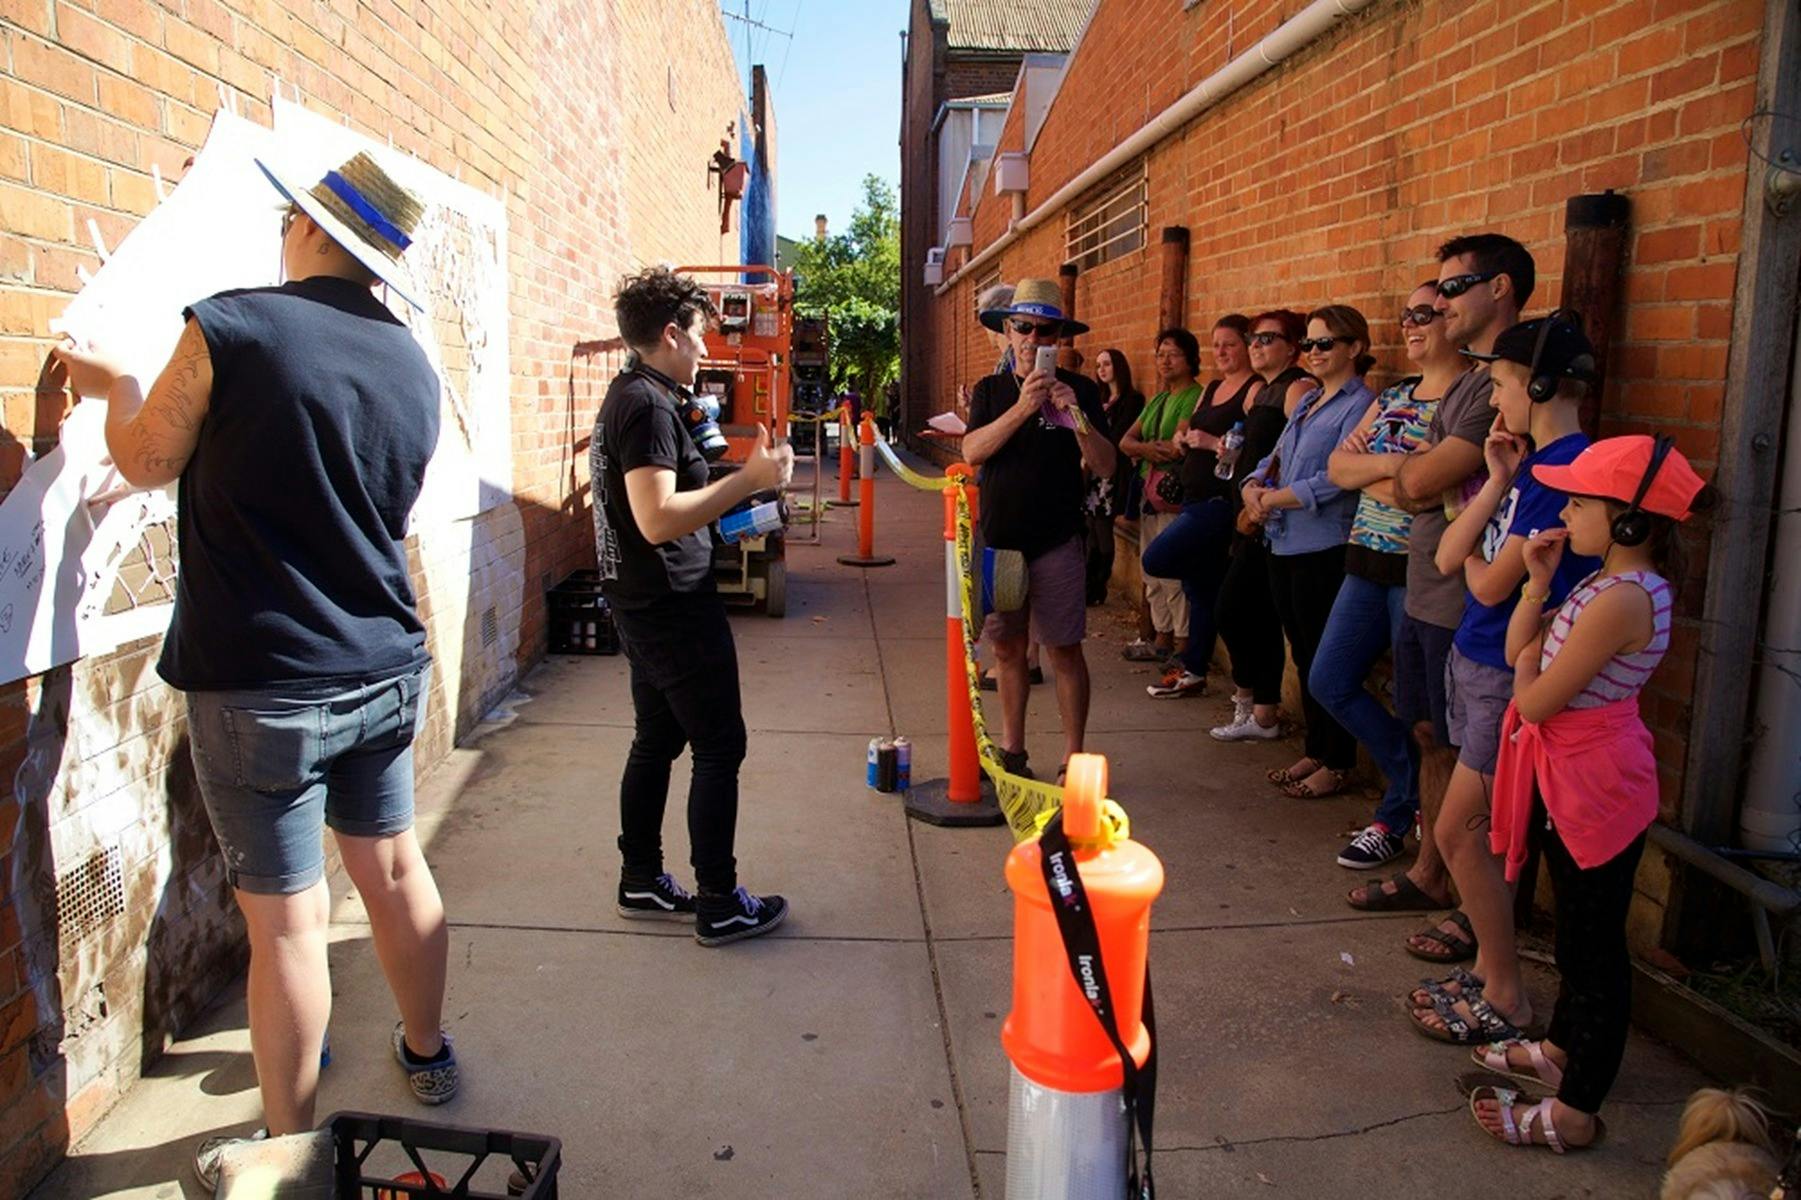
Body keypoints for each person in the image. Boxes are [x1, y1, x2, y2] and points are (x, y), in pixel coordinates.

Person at [56, 153, 456, 1186]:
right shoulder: (412, 364)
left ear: (311, 231)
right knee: (397, 868)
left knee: (289, 921)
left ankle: (287, 1153)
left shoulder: (232, 326)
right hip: (381, 663)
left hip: (261, 685)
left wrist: (116, 387)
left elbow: (146, 460)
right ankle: (426, 1053)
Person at [1466, 435, 1709, 1153]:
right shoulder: (1598, 583)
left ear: (1629, 521)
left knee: (1593, 948)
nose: (1564, 514)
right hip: (1567, 777)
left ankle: (1576, 1110)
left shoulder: (1623, 597)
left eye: (1578, 502)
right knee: (1574, 933)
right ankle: (1561, 1049)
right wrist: (1537, 584)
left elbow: (1536, 699)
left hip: (1593, 786)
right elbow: (1520, 651)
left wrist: (1530, 673)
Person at [1407, 313, 1602, 1046]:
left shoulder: (1568, 472)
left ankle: (1506, 991)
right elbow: (1451, 555)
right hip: (1477, 660)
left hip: (1504, 673)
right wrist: (1494, 478)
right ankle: (1493, 969)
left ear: (1540, 385)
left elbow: (1485, 585)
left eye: (1502, 384)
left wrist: (1488, 565)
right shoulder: (1530, 466)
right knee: (1485, 839)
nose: (1495, 400)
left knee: (1460, 833)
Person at [592, 267, 795, 947]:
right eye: (701, 334)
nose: (706, 349)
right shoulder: (646, 405)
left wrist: (752, 499)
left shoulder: (638, 394)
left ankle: (641, 879)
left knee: (659, 738)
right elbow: (655, 519)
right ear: (671, 332)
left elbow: (674, 511)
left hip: (649, 599)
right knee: (718, 744)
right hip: (669, 605)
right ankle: (718, 900)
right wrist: (747, 476)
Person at [1344, 234, 1523, 944]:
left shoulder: (1506, 376)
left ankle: (1476, 909)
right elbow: (1381, 475)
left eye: (1453, 288)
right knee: (1427, 736)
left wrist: (1406, 476)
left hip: (1472, 597)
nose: (1438, 302)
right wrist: (1409, 476)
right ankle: (1429, 873)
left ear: (1501, 288)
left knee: (1476, 754)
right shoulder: (1468, 379)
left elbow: (1418, 485)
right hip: (1425, 583)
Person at [1315, 283, 1467, 867]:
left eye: (1424, 313)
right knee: (1329, 680)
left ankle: (1398, 813)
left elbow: (1432, 495)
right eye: (1406, 314)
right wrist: (1397, 467)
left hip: (1419, 572)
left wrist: (1380, 476)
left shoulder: (1466, 399)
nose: (1411, 323)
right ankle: (1408, 791)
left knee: (1418, 709)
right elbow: (1337, 468)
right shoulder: (1394, 394)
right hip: (1364, 562)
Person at [962, 277, 1116, 783]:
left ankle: (1074, 756)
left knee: (1064, 648)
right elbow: (973, 453)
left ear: (1057, 338)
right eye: (1023, 328)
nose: (1032, 339)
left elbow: (1107, 465)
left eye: (1045, 331)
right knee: (1006, 647)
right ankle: (1012, 747)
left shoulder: (1084, 393)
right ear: (1007, 331)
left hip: (1057, 538)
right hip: (1002, 539)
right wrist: (1025, 407)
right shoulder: (991, 390)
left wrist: (1075, 418)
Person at [1240, 306, 1374, 797]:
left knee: (1323, 657)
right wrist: (1254, 485)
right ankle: (1317, 749)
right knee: (1301, 649)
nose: (1314, 353)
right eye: (1310, 344)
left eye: (1326, 344)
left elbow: (1338, 479)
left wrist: (1272, 498)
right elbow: (1274, 457)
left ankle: (1338, 761)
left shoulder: (1361, 406)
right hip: (1283, 540)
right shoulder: (1309, 401)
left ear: (1354, 349)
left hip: (1323, 545)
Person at [1140, 316, 1260, 698]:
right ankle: (1194, 669)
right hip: (1191, 495)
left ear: (1247, 346)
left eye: (1231, 344)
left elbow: (1255, 446)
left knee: (1157, 560)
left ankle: (1219, 580)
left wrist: (1210, 443)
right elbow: (1189, 423)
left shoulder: (1254, 389)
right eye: (1217, 345)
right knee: (1200, 591)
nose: (1222, 352)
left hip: (1217, 502)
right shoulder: (1213, 388)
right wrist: (1182, 435)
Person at [1210, 309, 1314, 741]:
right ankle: (1262, 710)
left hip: (1271, 518)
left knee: (1235, 609)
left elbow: (1298, 456)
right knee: (1251, 613)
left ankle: (1253, 703)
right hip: (1247, 512)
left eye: (1268, 339)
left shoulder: (1298, 388)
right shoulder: (1262, 392)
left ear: (1293, 347)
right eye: (1253, 338)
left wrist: (1261, 504)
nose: (1256, 345)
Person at [1117, 329, 1204, 666]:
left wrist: (1147, 450)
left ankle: (1183, 642)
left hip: (1173, 495)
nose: (1165, 361)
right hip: (1148, 493)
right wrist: (1147, 449)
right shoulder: (1157, 400)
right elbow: (1125, 442)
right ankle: (1161, 636)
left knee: (1173, 573)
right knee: (1150, 572)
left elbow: (1176, 446)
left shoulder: (1193, 396)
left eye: (1174, 354)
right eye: (1160, 354)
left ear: (1191, 358)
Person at [1084, 348, 1145, 606]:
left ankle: (1099, 583)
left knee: (1104, 531)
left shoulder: (1132, 400)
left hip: (1113, 474)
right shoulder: (1098, 399)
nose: (1102, 369)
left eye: (1107, 364)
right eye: (1098, 365)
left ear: (1118, 366)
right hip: (1091, 474)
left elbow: (1118, 435)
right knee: (1091, 532)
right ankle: (1090, 588)